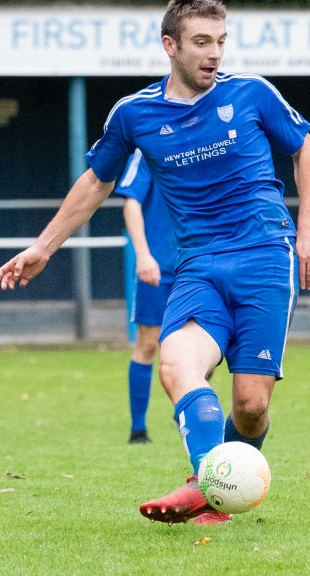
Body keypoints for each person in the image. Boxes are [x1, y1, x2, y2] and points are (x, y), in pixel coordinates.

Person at [0, 0, 310, 525]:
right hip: (197, 265)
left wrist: (308, 231)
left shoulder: (252, 92)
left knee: (251, 406)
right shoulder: (134, 113)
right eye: (201, 42)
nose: (213, 53)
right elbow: (97, 181)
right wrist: (44, 245)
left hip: (265, 255)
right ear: (170, 45)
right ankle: (209, 483)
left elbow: (304, 149)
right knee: (174, 364)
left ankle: (215, 484)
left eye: (220, 41)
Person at [116, 149, 178, 445]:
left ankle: (187, 404)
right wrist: (143, 254)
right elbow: (131, 203)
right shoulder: (148, 148)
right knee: (149, 344)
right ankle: (138, 430)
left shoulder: (210, 141)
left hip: (200, 264)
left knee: (209, 344)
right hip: (158, 266)